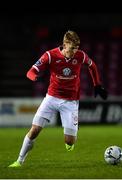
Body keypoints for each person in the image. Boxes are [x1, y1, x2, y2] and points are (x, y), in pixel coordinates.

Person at [8, 30, 108, 167]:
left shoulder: (80, 55)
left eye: (77, 48)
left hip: (71, 102)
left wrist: (97, 85)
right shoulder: (50, 55)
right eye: (72, 48)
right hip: (51, 98)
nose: (74, 51)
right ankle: (19, 161)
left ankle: (72, 134)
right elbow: (30, 72)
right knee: (35, 130)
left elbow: (92, 66)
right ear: (65, 44)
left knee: (69, 141)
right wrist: (35, 77)